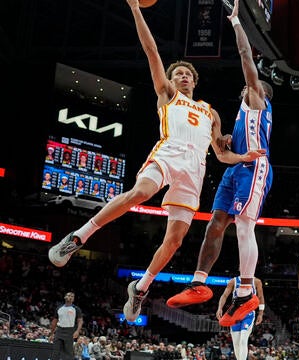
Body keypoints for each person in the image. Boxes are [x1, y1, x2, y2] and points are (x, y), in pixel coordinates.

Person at [48, 0, 265, 322]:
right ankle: (78, 236)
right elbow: (151, 51)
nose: (182, 77)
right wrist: (136, 9)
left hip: (195, 169)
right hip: (168, 153)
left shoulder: (211, 112)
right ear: (171, 80)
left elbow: (221, 154)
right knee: (140, 193)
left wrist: (242, 156)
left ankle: (141, 287)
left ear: (194, 81)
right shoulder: (167, 95)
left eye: (186, 74)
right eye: (177, 74)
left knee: (175, 240)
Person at [166, 0, 274, 328]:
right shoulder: (241, 117)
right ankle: (198, 282)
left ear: (261, 93)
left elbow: (245, 58)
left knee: (243, 225)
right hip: (236, 169)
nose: (245, 86)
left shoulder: (257, 100)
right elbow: (225, 153)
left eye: (250, 85)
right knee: (215, 222)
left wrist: (237, 23)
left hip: (255, 169)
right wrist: (230, 145)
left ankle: (245, 291)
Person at [216, 276, 265, 360]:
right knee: (236, 343)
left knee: (243, 340)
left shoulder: (256, 281)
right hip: (235, 314)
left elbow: (260, 297)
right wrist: (220, 308)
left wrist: (260, 313)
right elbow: (224, 295)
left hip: (248, 314)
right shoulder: (233, 281)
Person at [50, 292, 83, 360]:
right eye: (69, 295)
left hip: (70, 331)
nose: (70, 297)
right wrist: (52, 333)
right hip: (59, 330)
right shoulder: (59, 308)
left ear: (73, 299)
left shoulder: (76, 309)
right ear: (65, 297)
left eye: (72, 296)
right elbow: (54, 321)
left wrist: (77, 331)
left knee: (68, 352)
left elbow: (80, 321)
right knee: (55, 352)